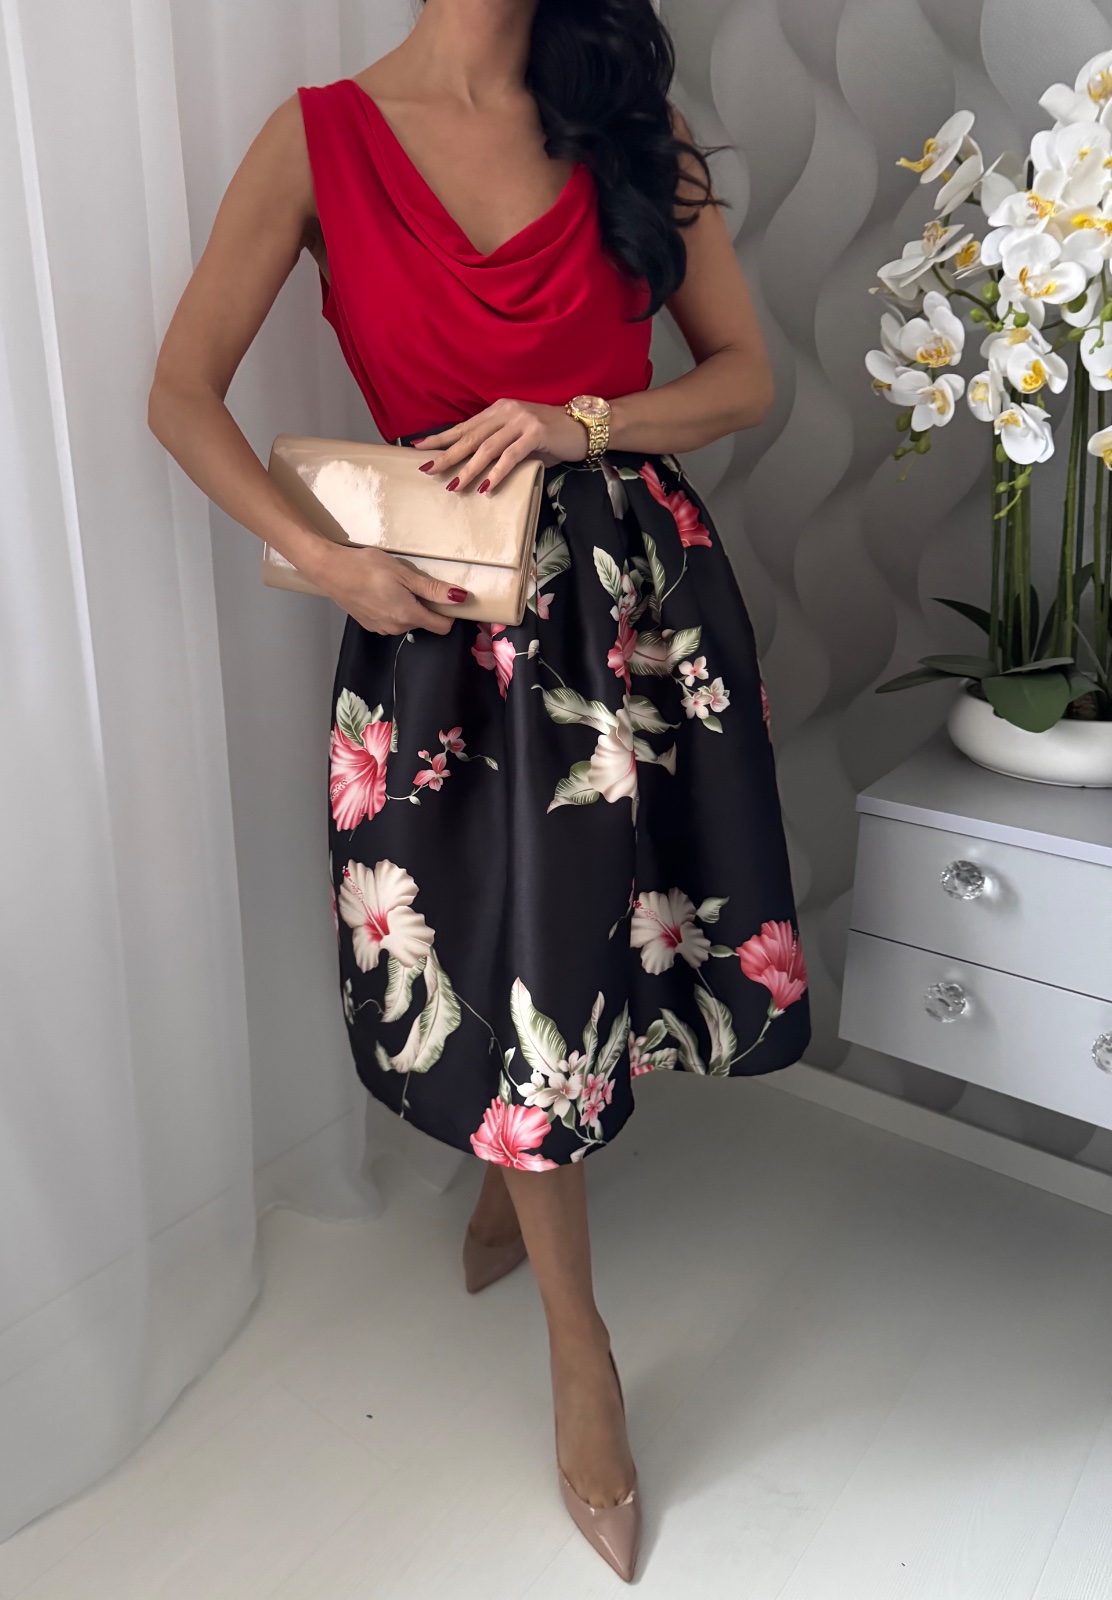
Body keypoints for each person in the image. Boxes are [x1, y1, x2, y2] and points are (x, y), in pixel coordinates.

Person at [148, 0, 810, 1581]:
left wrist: (581, 421)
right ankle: (585, 1352)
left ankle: (525, 1209)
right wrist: (326, 563)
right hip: (442, 619)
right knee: (520, 969)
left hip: (635, 606)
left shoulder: (626, 116)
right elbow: (180, 392)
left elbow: (743, 380)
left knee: (592, 947)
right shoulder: (319, 141)